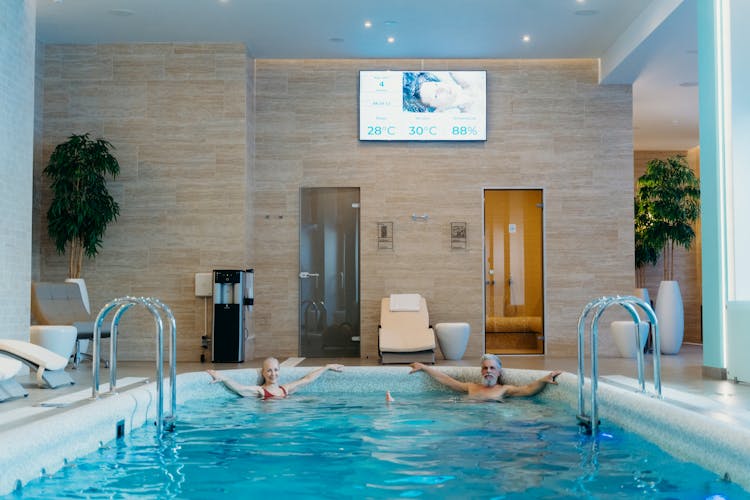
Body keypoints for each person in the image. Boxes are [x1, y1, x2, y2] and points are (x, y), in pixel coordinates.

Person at [409, 353, 561, 402]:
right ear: (481, 372)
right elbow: (447, 381)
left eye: (492, 368)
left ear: (499, 372)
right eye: (485, 368)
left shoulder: (504, 389)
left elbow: (528, 390)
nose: (488, 371)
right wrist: (424, 367)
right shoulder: (471, 387)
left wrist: (543, 380)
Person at [207, 357, 343, 399]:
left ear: (279, 371)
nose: (273, 374)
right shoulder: (260, 391)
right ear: (263, 373)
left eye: (276, 370)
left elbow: (307, 379)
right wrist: (223, 377)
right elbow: (240, 389)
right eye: (269, 371)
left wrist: (326, 367)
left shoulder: (285, 389)